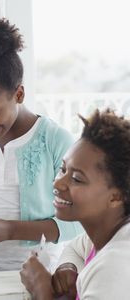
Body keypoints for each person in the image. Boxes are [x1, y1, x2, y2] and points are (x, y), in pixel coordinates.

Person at [0, 17, 83, 272]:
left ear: (19, 94)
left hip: (45, 276)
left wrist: (11, 229)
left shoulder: (55, 140)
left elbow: (78, 222)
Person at [20, 109, 130, 299]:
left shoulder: (115, 266)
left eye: (77, 179)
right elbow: (73, 248)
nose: (57, 183)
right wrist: (68, 267)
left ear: (116, 197)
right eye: (63, 169)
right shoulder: (101, 237)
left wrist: (41, 288)